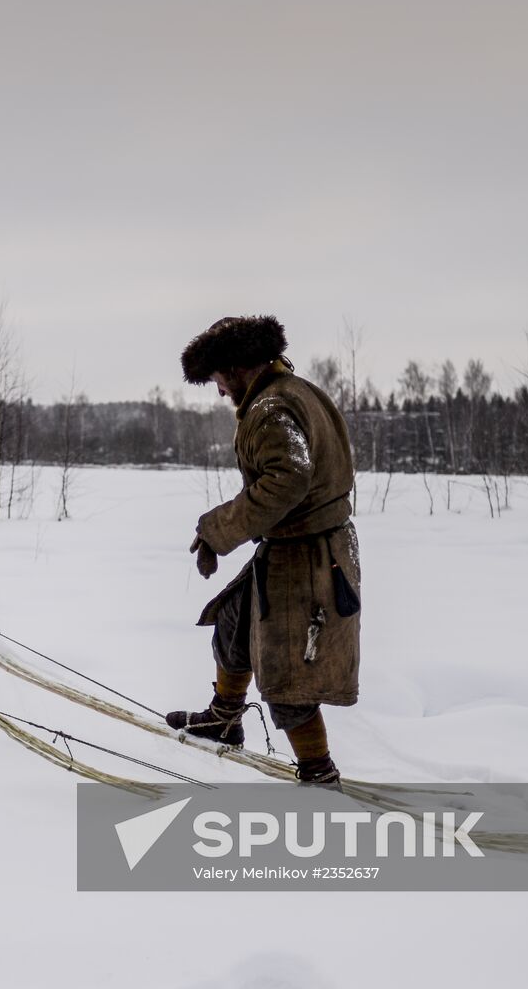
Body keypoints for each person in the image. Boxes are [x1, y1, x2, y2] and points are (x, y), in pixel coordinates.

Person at [166, 315, 362, 787]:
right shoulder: (295, 391)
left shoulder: (272, 408)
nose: (218, 391)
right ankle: (224, 718)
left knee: (287, 674)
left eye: (216, 378)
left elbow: (288, 480)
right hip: (296, 550)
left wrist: (218, 529)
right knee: (235, 619)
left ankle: (319, 771)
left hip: (308, 561)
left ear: (235, 367)